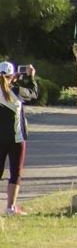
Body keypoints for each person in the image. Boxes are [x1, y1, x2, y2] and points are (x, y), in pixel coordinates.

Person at [0, 61, 35, 215]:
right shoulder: (17, 91)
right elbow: (33, 93)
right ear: (12, 76)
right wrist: (30, 78)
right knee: (16, 172)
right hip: (16, 138)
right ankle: (11, 207)